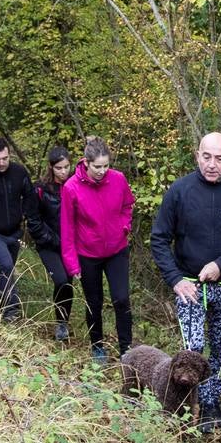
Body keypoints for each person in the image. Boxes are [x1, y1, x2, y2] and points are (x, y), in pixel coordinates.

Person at [150, 132, 221, 431]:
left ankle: (211, 404)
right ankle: (184, 405)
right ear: (197, 156)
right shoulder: (180, 190)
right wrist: (175, 279)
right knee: (194, 347)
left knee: (220, 346)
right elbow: (159, 239)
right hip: (189, 286)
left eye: (219, 158)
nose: (212, 164)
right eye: (206, 157)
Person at [61, 137, 135, 366]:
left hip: (116, 250)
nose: (102, 171)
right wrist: (72, 264)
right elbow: (67, 228)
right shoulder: (71, 187)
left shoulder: (118, 179)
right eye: (97, 166)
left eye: (106, 165)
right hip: (88, 254)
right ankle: (97, 347)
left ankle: (127, 351)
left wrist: (125, 226)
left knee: (121, 299)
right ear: (86, 162)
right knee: (94, 302)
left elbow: (127, 205)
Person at [0, 137, 49, 321]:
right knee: (6, 265)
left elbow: (29, 196)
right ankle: (11, 311)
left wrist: (25, 215)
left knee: (6, 269)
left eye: (4, 158)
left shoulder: (19, 172)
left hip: (14, 232)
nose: (1, 163)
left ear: (9, 155)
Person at [35, 146, 75, 342]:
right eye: (59, 168)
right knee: (60, 280)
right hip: (49, 244)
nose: (63, 171)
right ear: (51, 168)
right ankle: (60, 323)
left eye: (66, 167)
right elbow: (34, 220)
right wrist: (51, 239)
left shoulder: (75, 185)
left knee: (68, 284)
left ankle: (63, 322)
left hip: (71, 246)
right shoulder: (41, 189)